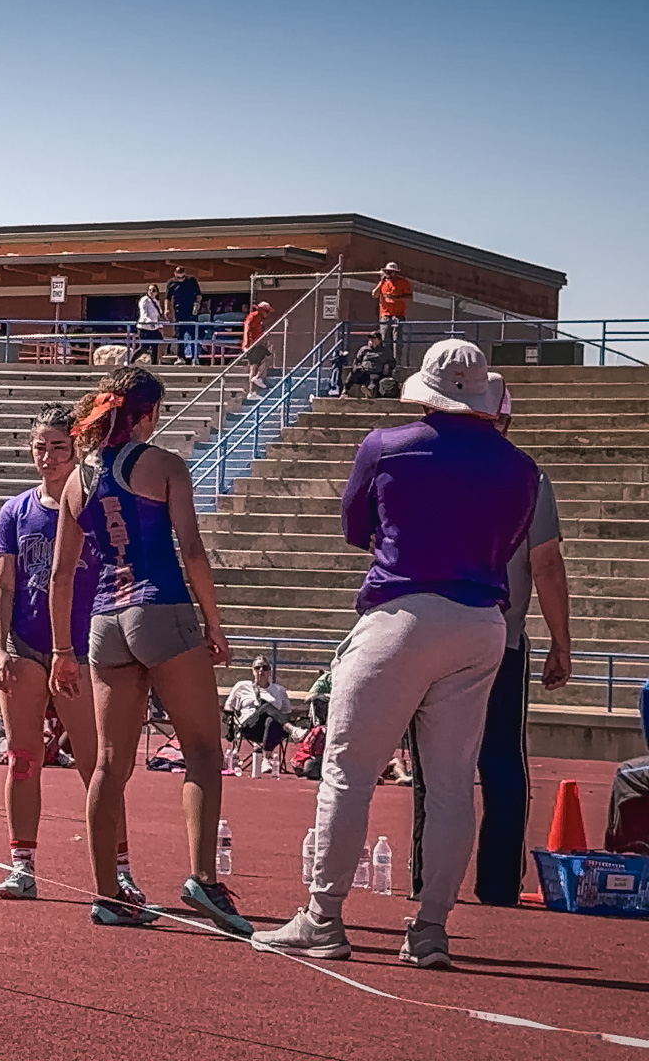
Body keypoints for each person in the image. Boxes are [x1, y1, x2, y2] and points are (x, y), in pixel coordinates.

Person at [251, 340, 538, 968]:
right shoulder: (522, 468)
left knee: (348, 774)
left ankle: (324, 917)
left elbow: (357, 527)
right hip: (482, 621)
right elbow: (512, 543)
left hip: (401, 612)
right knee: (452, 783)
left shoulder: (386, 445)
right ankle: (430, 929)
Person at [48, 365, 248, 933]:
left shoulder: (75, 480)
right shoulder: (162, 465)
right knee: (204, 752)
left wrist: (63, 646)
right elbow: (192, 548)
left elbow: (62, 575)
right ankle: (204, 880)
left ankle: (108, 893)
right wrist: (214, 623)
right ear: (147, 414)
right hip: (160, 607)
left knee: (110, 764)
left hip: (104, 621)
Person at [409, 384, 572, 907]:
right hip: (499, 635)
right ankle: (498, 882)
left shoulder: (425, 464)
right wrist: (561, 643)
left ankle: (427, 879)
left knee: (434, 767)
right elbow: (545, 564)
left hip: (429, 631)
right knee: (501, 761)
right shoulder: (529, 477)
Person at [0, 403, 144, 906]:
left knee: (97, 765)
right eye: (40, 446)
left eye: (58, 446)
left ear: (76, 448)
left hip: (80, 649)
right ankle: (21, 864)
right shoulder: (16, 511)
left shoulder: (94, 506)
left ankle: (119, 870)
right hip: (26, 647)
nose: (48, 456)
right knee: (22, 758)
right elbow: (3, 586)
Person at [224, 656, 291, 776]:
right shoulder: (242, 686)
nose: (261, 671)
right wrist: (233, 721)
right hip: (249, 725)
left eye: (265, 668)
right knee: (267, 707)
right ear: (252, 670)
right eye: (257, 668)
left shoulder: (279, 690)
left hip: (272, 729)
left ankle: (266, 758)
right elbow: (228, 708)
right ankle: (293, 730)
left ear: (270, 671)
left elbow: (286, 712)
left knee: (271, 719)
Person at [165, 266, 202, 364]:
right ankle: (180, 357)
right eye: (178, 278)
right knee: (179, 336)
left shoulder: (191, 281)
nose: (180, 280)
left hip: (191, 312)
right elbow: (167, 298)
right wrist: (167, 309)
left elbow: (198, 294)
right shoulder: (171, 283)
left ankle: (195, 357)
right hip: (179, 312)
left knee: (194, 335)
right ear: (175, 275)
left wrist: (197, 304)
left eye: (182, 277)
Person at [375, 262, 412, 355]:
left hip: (398, 315)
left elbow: (409, 297)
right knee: (385, 339)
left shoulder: (403, 282)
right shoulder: (383, 283)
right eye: (387, 272)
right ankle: (386, 361)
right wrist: (380, 283)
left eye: (391, 272)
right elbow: (374, 295)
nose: (389, 274)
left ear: (396, 273)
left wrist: (397, 298)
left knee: (397, 340)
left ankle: (396, 363)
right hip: (385, 314)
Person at [344, 332, 396, 398]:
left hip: (377, 372)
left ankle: (370, 391)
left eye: (373, 338)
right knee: (355, 371)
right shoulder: (364, 349)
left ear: (379, 340)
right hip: (364, 372)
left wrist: (388, 366)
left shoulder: (385, 351)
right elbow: (357, 361)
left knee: (373, 381)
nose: (371, 340)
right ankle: (345, 391)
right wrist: (359, 366)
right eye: (370, 338)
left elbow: (393, 363)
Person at [241, 300, 276, 392]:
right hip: (253, 345)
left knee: (256, 365)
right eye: (266, 311)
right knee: (266, 359)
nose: (267, 314)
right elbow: (247, 328)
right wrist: (247, 344)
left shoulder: (259, 319)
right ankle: (258, 379)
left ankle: (252, 391)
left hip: (256, 344)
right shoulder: (254, 316)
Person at [134, 286, 165, 365]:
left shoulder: (156, 302)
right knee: (144, 347)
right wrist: (149, 322)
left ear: (157, 292)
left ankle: (154, 365)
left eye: (153, 290)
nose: (151, 292)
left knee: (155, 347)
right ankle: (130, 362)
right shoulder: (144, 300)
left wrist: (160, 326)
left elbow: (158, 316)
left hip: (154, 328)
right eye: (150, 290)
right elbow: (144, 313)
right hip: (145, 327)